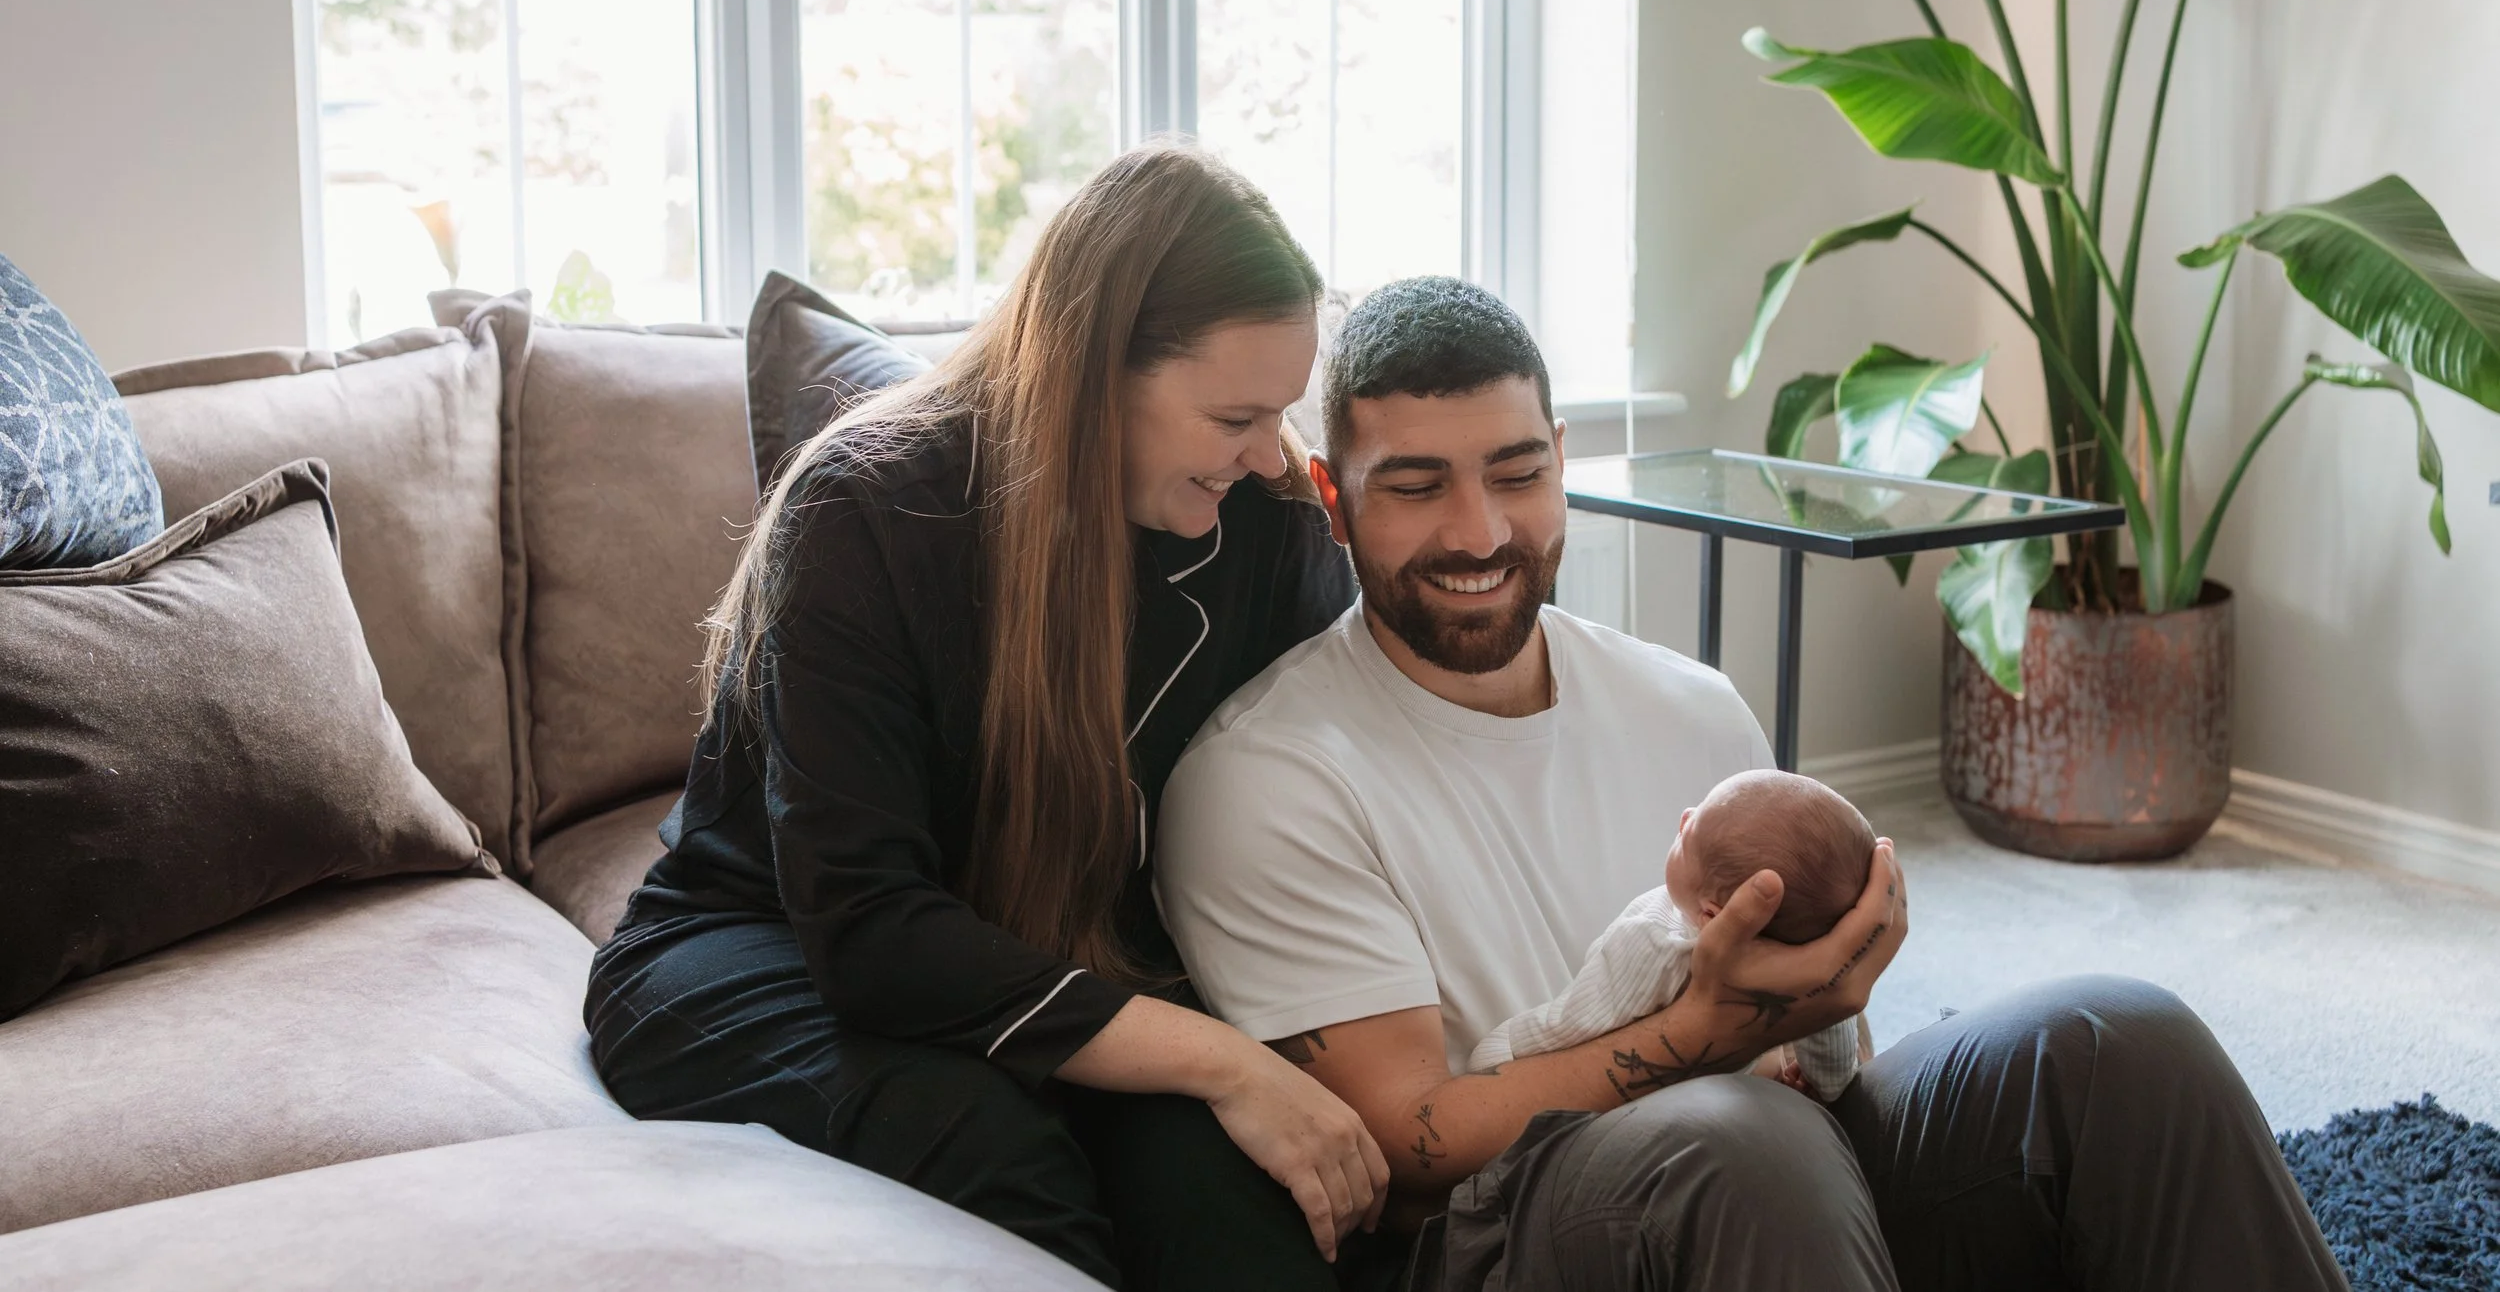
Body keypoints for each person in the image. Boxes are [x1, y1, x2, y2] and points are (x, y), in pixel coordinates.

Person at [1156, 275, 2350, 1292]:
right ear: (1332, 495)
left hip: (1772, 1186)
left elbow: (1833, 1052)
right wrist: (1701, 1033)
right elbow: (1405, 1145)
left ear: (1561, 462)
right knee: (1745, 1130)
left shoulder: (1688, 702)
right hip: (1506, 1240)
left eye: (1515, 472)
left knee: (2113, 1037)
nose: (1479, 531)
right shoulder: (1267, 774)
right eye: (1416, 487)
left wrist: (1819, 995)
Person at [584, 144, 1395, 1292]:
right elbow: (868, 926)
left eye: (1278, 413)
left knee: (1245, 1205)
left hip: (1071, 959)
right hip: (774, 947)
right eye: (1233, 414)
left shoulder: (1262, 524)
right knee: (995, 1150)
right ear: (1095, 366)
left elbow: (1358, 772)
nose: (1269, 454)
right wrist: (1222, 1059)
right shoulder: (866, 507)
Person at [1469, 769, 1873, 1106]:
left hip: (1655, 1100)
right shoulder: (1812, 966)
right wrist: (1828, 1083)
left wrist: (1503, 1051)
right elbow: (1831, 1029)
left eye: (1688, 836)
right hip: (1736, 1078)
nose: (1684, 815)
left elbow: (1577, 1021)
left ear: (1713, 916)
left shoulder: (1655, 944)